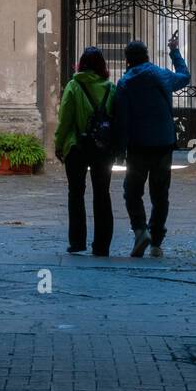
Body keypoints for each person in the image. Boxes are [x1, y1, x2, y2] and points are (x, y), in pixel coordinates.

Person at [112, 36, 189, 257]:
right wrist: (174, 51)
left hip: (138, 146)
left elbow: (123, 120)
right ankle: (156, 241)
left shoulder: (125, 83)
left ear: (127, 60)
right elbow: (185, 77)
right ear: (147, 55)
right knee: (160, 193)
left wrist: (119, 150)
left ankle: (140, 230)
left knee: (132, 191)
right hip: (163, 143)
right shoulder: (161, 75)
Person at [54, 47, 116, 257]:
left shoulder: (73, 86)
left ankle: (77, 241)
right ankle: (102, 246)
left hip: (76, 146)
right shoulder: (110, 88)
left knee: (76, 194)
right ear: (102, 66)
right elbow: (115, 120)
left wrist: (59, 143)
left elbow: (65, 120)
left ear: (81, 64)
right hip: (102, 149)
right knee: (102, 195)